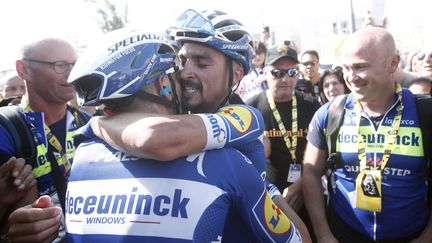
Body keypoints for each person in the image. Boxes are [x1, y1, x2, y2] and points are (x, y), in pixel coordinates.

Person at [65, 27, 306, 242]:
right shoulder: (225, 163)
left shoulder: (83, 156)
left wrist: (96, 125)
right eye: (177, 65)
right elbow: (298, 239)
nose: (183, 74)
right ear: (163, 85)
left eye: (201, 63)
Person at [303, 26, 432, 242]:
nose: (350, 78)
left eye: (360, 67)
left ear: (393, 63)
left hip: (412, 235)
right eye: (346, 68)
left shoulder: (425, 112)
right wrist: (324, 234)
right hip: (345, 234)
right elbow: (311, 173)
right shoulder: (331, 113)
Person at [3, 37, 91, 242]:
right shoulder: (6, 126)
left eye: (74, 65)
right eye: (60, 66)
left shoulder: (88, 122)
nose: (71, 74)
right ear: (23, 69)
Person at [246, 43, 321, 241]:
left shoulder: (312, 105)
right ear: (265, 72)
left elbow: (328, 156)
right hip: (267, 201)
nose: (285, 79)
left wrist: (302, 184)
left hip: (308, 196)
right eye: (277, 73)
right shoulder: (250, 109)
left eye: (292, 72)